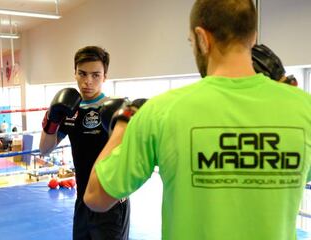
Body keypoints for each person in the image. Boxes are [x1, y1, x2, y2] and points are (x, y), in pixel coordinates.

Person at [84, 1, 311, 240]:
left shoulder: (161, 111)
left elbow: (95, 197)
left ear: (202, 38)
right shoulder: (305, 109)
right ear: (253, 37)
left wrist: (124, 122)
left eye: (192, 42)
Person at [39, 46, 130, 240]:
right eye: (82, 74)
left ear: (105, 76)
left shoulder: (118, 109)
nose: (88, 81)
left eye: (96, 75)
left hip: (111, 201)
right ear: (75, 73)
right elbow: (45, 149)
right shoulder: (70, 110)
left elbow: (134, 154)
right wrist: (52, 119)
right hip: (82, 200)